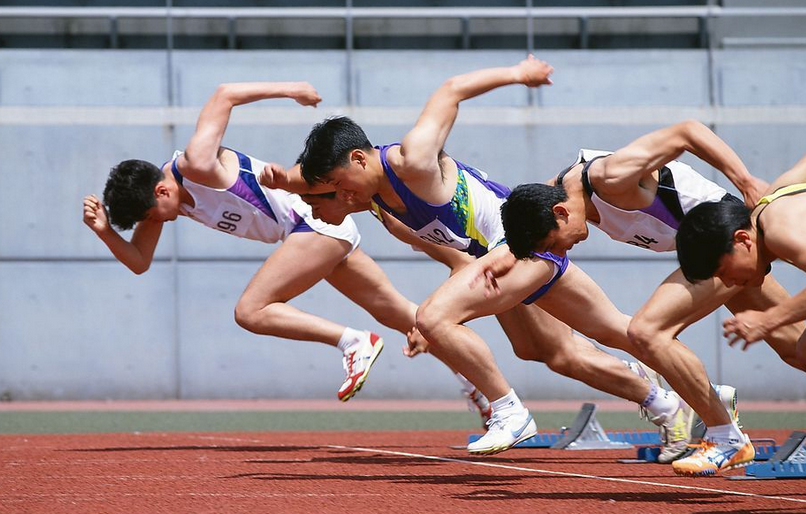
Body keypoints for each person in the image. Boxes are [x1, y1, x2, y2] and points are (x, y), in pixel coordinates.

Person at [269, 57, 697, 459]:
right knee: (567, 347)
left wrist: (519, 72)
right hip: (498, 260)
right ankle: (685, 402)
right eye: (329, 190)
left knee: (434, 317)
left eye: (340, 184)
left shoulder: (412, 159)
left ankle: (509, 412)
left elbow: (451, 89)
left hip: (523, 242)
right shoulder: (380, 205)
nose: (341, 197)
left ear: (359, 159)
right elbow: (456, 257)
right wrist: (274, 177)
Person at [81, 80, 490, 416]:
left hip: (311, 222)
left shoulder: (196, 163)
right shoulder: (162, 203)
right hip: (312, 236)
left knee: (250, 311)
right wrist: (105, 231)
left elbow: (223, 94)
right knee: (409, 318)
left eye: (156, 214)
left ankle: (352, 341)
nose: (161, 222)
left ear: (161, 188)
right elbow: (138, 262)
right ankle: (478, 389)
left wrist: (292, 89)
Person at [497, 120, 803, 476]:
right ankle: (715, 407)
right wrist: (495, 259)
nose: (560, 251)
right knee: (794, 346)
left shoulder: (610, 177)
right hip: (711, 256)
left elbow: (686, 132)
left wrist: (746, 180)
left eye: (553, 244)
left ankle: (725, 436)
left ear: (561, 214)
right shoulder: (555, 195)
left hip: (725, 244)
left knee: (648, 331)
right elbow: (517, 232)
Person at [676, 152, 806, 364]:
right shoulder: (771, 199)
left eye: (723, 272)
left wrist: (767, 320)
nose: (728, 283)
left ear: (742, 239)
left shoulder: (779, 232)